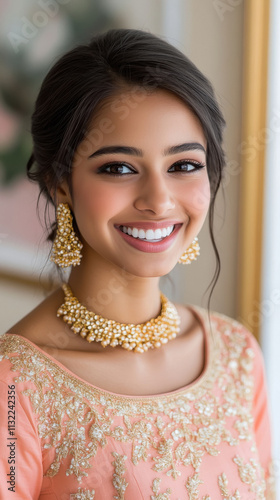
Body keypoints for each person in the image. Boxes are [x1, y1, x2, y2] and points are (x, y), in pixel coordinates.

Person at [0, 28, 275, 499]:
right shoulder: (15, 388)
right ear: (60, 182)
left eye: (184, 165)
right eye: (119, 168)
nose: (158, 201)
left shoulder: (235, 355)